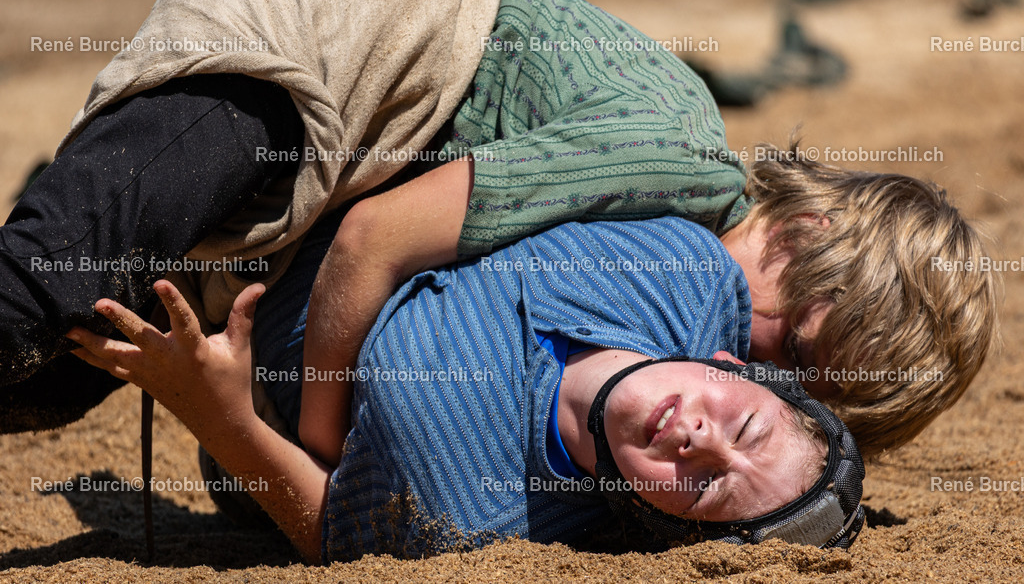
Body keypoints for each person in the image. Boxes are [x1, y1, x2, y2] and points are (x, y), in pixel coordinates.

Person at [0, 0, 998, 461]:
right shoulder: (677, 166)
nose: (755, 371)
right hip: (319, 39)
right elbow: (377, 239)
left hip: (319, 185)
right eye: (795, 349)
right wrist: (320, 448)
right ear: (801, 234)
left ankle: (94, 211)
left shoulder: (665, 295)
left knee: (50, 382)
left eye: (796, 395)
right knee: (35, 298)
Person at [68, 212, 866, 563]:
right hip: (330, 172)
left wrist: (220, 414)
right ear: (736, 367)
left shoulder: (471, 514)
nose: (700, 440)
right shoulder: (681, 269)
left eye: (707, 487)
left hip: (226, 315)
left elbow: (327, 530)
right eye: (745, 427)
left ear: (662, 526)